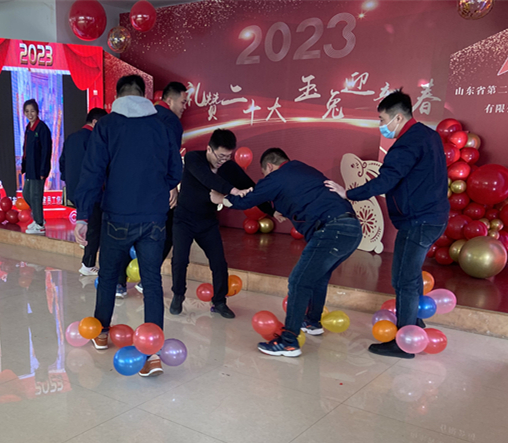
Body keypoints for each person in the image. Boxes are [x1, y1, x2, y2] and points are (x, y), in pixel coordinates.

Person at [325, 89, 449, 359]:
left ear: (398, 117)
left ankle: (405, 340)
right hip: (432, 217)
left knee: (404, 279)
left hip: (419, 220)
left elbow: (386, 180)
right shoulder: (428, 135)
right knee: (409, 275)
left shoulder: (407, 144)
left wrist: (349, 193)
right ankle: (414, 323)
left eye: (382, 119)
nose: (381, 125)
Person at [74, 75, 182, 377]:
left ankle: (101, 333)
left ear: (118, 96)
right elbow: (175, 171)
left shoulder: (107, 126)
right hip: (154, 218)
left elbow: (92, 172)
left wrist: (83, 216)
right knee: (152, 282)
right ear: (143, 95)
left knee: (108, 276)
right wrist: (160, 188)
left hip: (117, 217)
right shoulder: (162, 125)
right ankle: (153, 354)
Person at [212, 148, 362, 357]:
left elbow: (248, 200)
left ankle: (289, 342)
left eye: (265, 174)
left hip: (331, 230)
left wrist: (221, 199)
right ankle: (312, 322)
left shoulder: (277, 176)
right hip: (352, 229)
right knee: (317, 277)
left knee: (298, 281)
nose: (266, 178)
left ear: (270, 167)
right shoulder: (303, 170)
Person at [170, 129, 268, 319]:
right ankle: (178, 295)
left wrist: (272, 210)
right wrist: (232, 191)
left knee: (219, 262)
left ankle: (220, 302)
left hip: (207, 222)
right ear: (209, 149)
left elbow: (252, 188)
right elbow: (208, 179)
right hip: (184, 220)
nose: (223, 160)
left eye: (228, 156)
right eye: (221, 156)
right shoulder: (193, 159)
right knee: (180, 260)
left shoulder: (228, 167)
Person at [129, 81, 188, 296]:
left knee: (130, 231)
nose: (184, 107)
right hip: (158, 189)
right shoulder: (171, 121)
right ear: (169, 100)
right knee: (167, 233)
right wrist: (172, 186)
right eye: (182, 102)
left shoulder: (144, 116)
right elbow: (169, 158)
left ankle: (118, 282)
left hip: (135, 187)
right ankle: (147, 280)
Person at [59, 108, 108, 276]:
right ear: (95, 122)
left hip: (74, 190)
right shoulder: (95, 139)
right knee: (94, 228)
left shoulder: (71, 138)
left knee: (88, 223)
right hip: (92, 191)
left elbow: (62, 163)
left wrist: (69, 181)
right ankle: (88, 263)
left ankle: (87, 256)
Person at [20, 99, 52, 235]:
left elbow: (46, 150)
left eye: (32, 111)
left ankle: (39, 224)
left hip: (39, 169)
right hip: (30, 168)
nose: (30, 114)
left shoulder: (42, 128)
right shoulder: (28, 127)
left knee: (35, 196)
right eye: (27, 111)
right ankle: (39, 219)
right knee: (27, 194)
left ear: (37, 112)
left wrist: (44, 170)